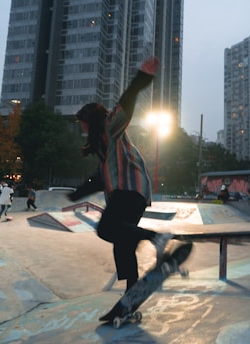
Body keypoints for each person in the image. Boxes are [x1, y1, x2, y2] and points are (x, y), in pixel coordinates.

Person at [68, 56, 172, 292]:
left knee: (106, 229)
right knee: (122, 241)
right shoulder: (104, 149)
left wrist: (143, 77)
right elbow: (101, 178)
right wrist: (78, 194)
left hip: (130, 189)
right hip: (133, 193)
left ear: (90, 121)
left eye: (82, 125)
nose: (82, 129)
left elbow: (127, 101)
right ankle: (132, 292)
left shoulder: (109, 126)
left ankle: (156, 237)